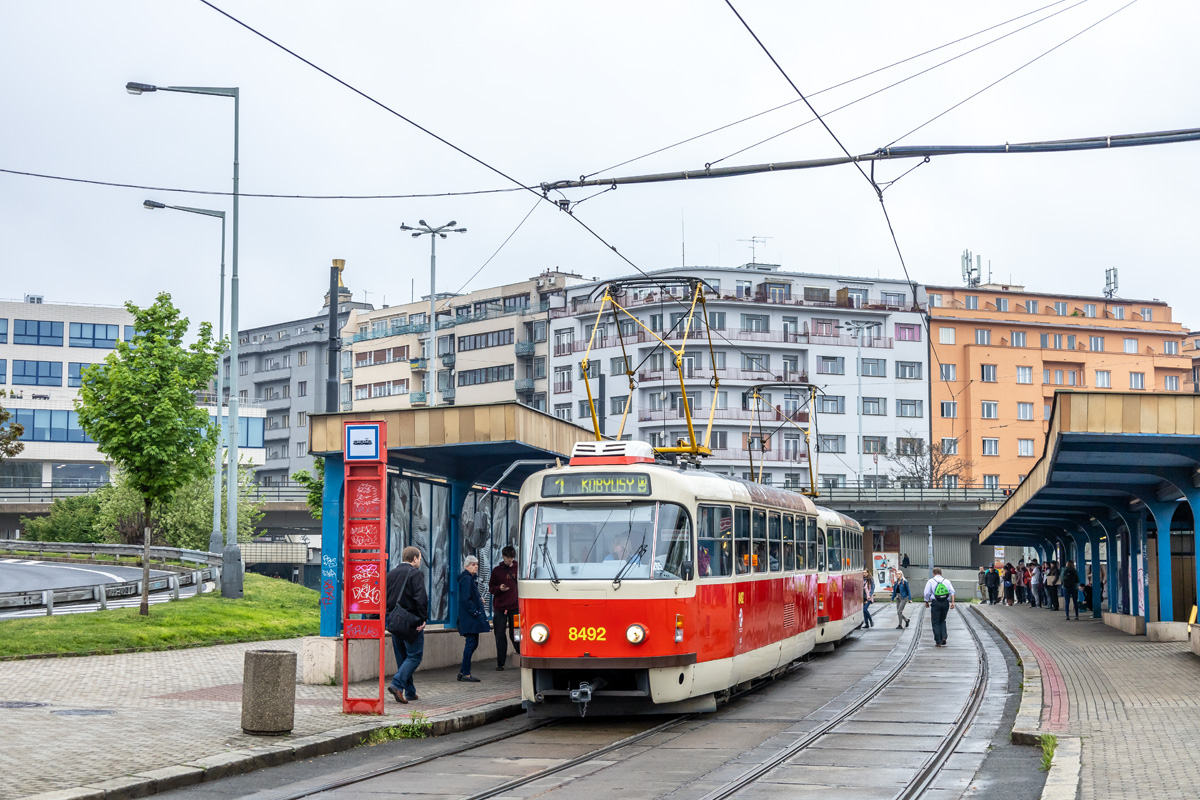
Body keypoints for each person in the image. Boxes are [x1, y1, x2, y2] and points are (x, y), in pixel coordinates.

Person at [385, 546, 428, 704]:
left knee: (402, 658)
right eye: (419, 558)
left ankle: (410, 691)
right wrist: (423, 619)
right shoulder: (415, 574)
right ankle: (397, 685)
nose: (420, 561)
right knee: (414, 656)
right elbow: (421, 599)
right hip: (411, 622)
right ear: (414, 558)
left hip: (394, 621)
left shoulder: (390, 574)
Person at [457, 555, 491, 681]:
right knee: (471, 644)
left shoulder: (469, 578)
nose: (475, 567)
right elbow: (466, 599)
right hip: (470, 619)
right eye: (473, 565)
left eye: (476, 564)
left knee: (473, 644)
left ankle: (463, 671)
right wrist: (475, 612)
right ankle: (466, 673)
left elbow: (470, 597)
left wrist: (479, 600)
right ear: (466, 566)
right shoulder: (467, 579)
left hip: (470, 618)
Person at [488, 545, 520, 671]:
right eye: (507, 557)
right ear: (503, 556)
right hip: (500, 608)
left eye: (512, 557)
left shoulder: (519, 569)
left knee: (516, 634)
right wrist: (499, 589)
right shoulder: (497, 571)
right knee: (500, 635)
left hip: (515, 607)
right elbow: (491, 588)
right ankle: (500, 663)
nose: (510, 560)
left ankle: (521, 657)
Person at [924, 568, 956, 647]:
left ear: (933, 574)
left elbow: (927, 593)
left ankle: (938, 641)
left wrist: (926, 601)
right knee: (942, 620)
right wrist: (952, 602)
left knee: (935, 621)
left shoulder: (931, 581)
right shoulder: (947, 581)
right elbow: (952, 592)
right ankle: (944, 637)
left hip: (936, 602)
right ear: (941, 573)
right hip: (945, 603)